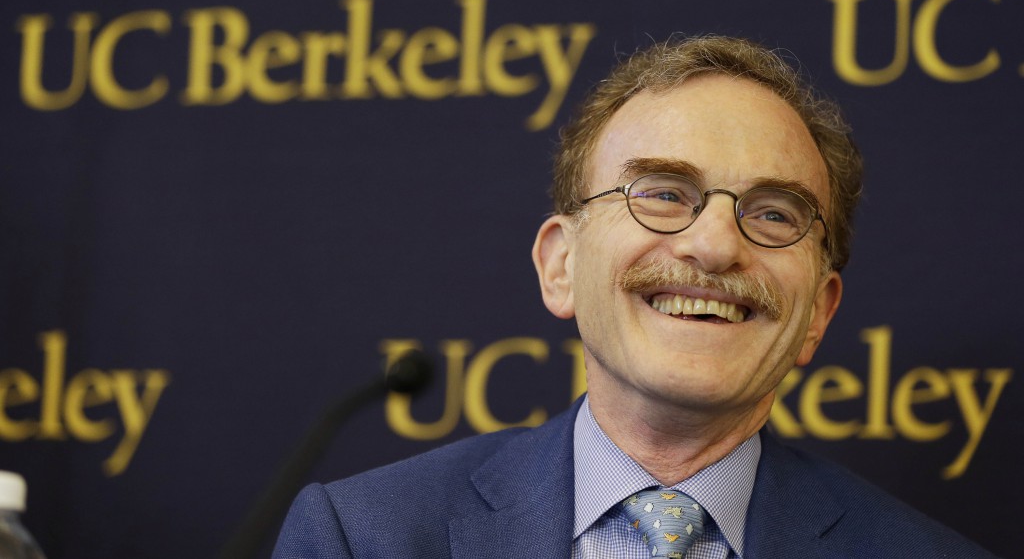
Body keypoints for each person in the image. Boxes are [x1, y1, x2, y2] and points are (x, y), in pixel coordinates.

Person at [272, 36, 998, 558]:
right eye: (662, 193)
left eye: (775, 212)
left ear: (818, 313)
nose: (714, 245)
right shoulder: (364, 536)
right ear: (561, 265)